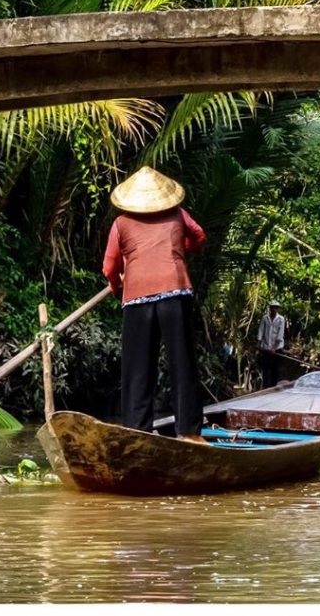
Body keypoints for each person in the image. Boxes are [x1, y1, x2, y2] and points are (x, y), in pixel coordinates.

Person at [102, 166, 208, 443]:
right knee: (182, 362)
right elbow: (199, 236)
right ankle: (189, 433)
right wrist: (180, 250)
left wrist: (117, 286)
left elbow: (109, 267)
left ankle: (137, 431)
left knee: (138, 367)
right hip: (175, 291)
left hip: (137, 296)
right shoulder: (178, 215)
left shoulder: (121, 223)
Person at [257, 300, 286, 388]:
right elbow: (261, 331)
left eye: (276, 307)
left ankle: (274, 387)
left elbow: (280, 335)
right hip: (266, 348)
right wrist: (259, 343)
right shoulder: (265, 318)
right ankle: (265, 388)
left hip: (276, 349)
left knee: (275, 370)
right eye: (272, 307)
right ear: (270, 308)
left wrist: (274, 348)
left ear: (278, 309)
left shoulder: (281, 319)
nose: (274, 309)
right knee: (265, 370)